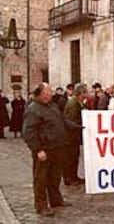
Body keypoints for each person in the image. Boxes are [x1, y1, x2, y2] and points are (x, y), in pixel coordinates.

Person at [22, 83, 78, 217]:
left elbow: (61, 120)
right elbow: (28, 132)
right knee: (41, 178)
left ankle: (55, 199)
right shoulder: (33, 109)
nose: (51, 94)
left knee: (55, 176)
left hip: (57, 147)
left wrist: (77, 126)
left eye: (50, 92)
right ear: (40, 94)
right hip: (45, 149)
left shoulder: (52, 106)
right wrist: (38, 149)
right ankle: (41, 205)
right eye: (48, 92)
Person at [63, 83, 88, 186]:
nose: (87, 94)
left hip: (74, 136)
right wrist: (81, 125)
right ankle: (69, 177)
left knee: (74, 156)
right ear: (81, 93)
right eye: (85, 92)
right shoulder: (73, 103)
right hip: (70, 136)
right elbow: (71, 120)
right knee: (70, 157)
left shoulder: (78, 102)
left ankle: (73, 176)